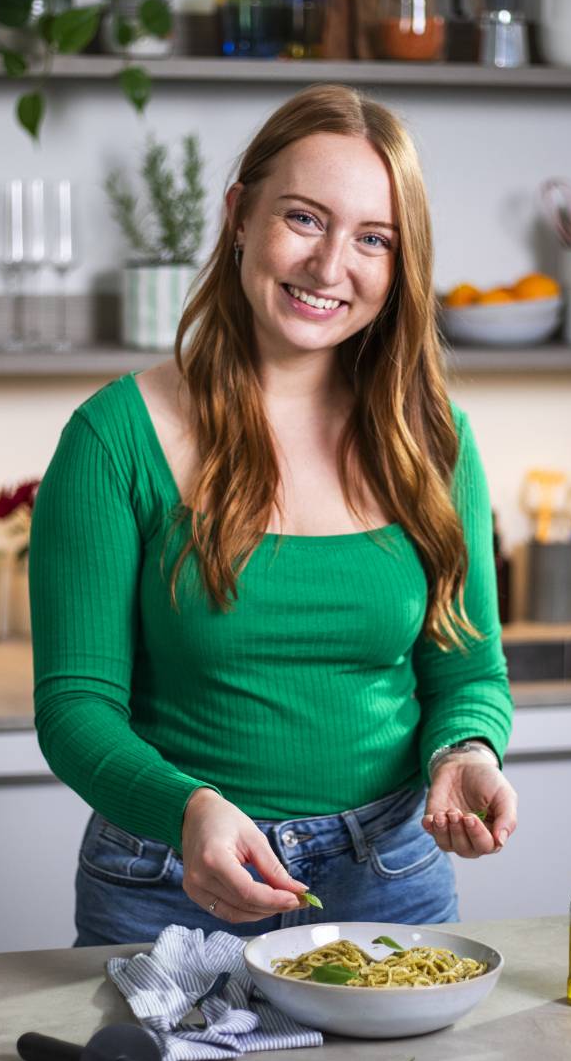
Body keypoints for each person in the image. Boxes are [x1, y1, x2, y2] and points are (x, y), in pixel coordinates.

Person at [30, 83, 517, 946]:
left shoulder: (434, 442)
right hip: (169, 882)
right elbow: (76, 708)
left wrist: (465, 755)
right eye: (304, 219)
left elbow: (467, 674)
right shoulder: (115, 437)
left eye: (374, 238)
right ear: (239, 215)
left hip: (393, 879)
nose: (332, 268)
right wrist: (188, 809)